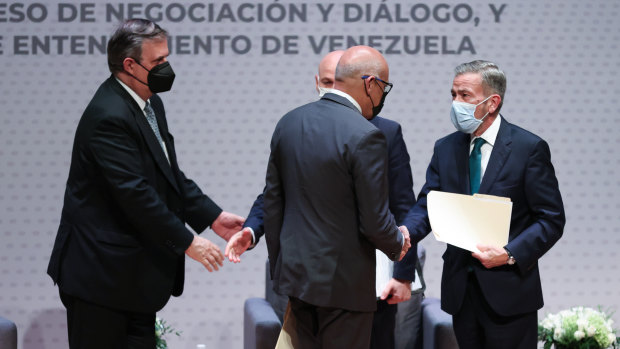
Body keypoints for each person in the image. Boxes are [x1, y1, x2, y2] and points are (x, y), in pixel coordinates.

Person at [46, 19, 245, 348]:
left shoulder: (150, 103)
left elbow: (167, 175)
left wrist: (213, 217)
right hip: (101, 280)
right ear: (130, 65)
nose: (167, 67)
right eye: (159, 62)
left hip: (133, 280)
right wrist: (187, 242)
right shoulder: (108, 116)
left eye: (167, 58)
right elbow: (135, 194)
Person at [226, 50, 422, 348]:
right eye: (384, 86)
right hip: (346, 285)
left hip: (297, 280)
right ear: (370, 83)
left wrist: (282, 265)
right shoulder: (365, 134)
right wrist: (399, 243)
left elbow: (275, 201)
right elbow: (373, 221)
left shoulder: (289, 122)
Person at [402, 60, 566, 349]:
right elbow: (430, 203)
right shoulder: (445, 147)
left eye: (465, 96)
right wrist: (406, 233)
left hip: (510, 293)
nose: (456, 103)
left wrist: (510, 253)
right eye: (453, 94)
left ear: (492, 103)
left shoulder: (529, 148)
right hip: (461, 292)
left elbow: (551, 219)